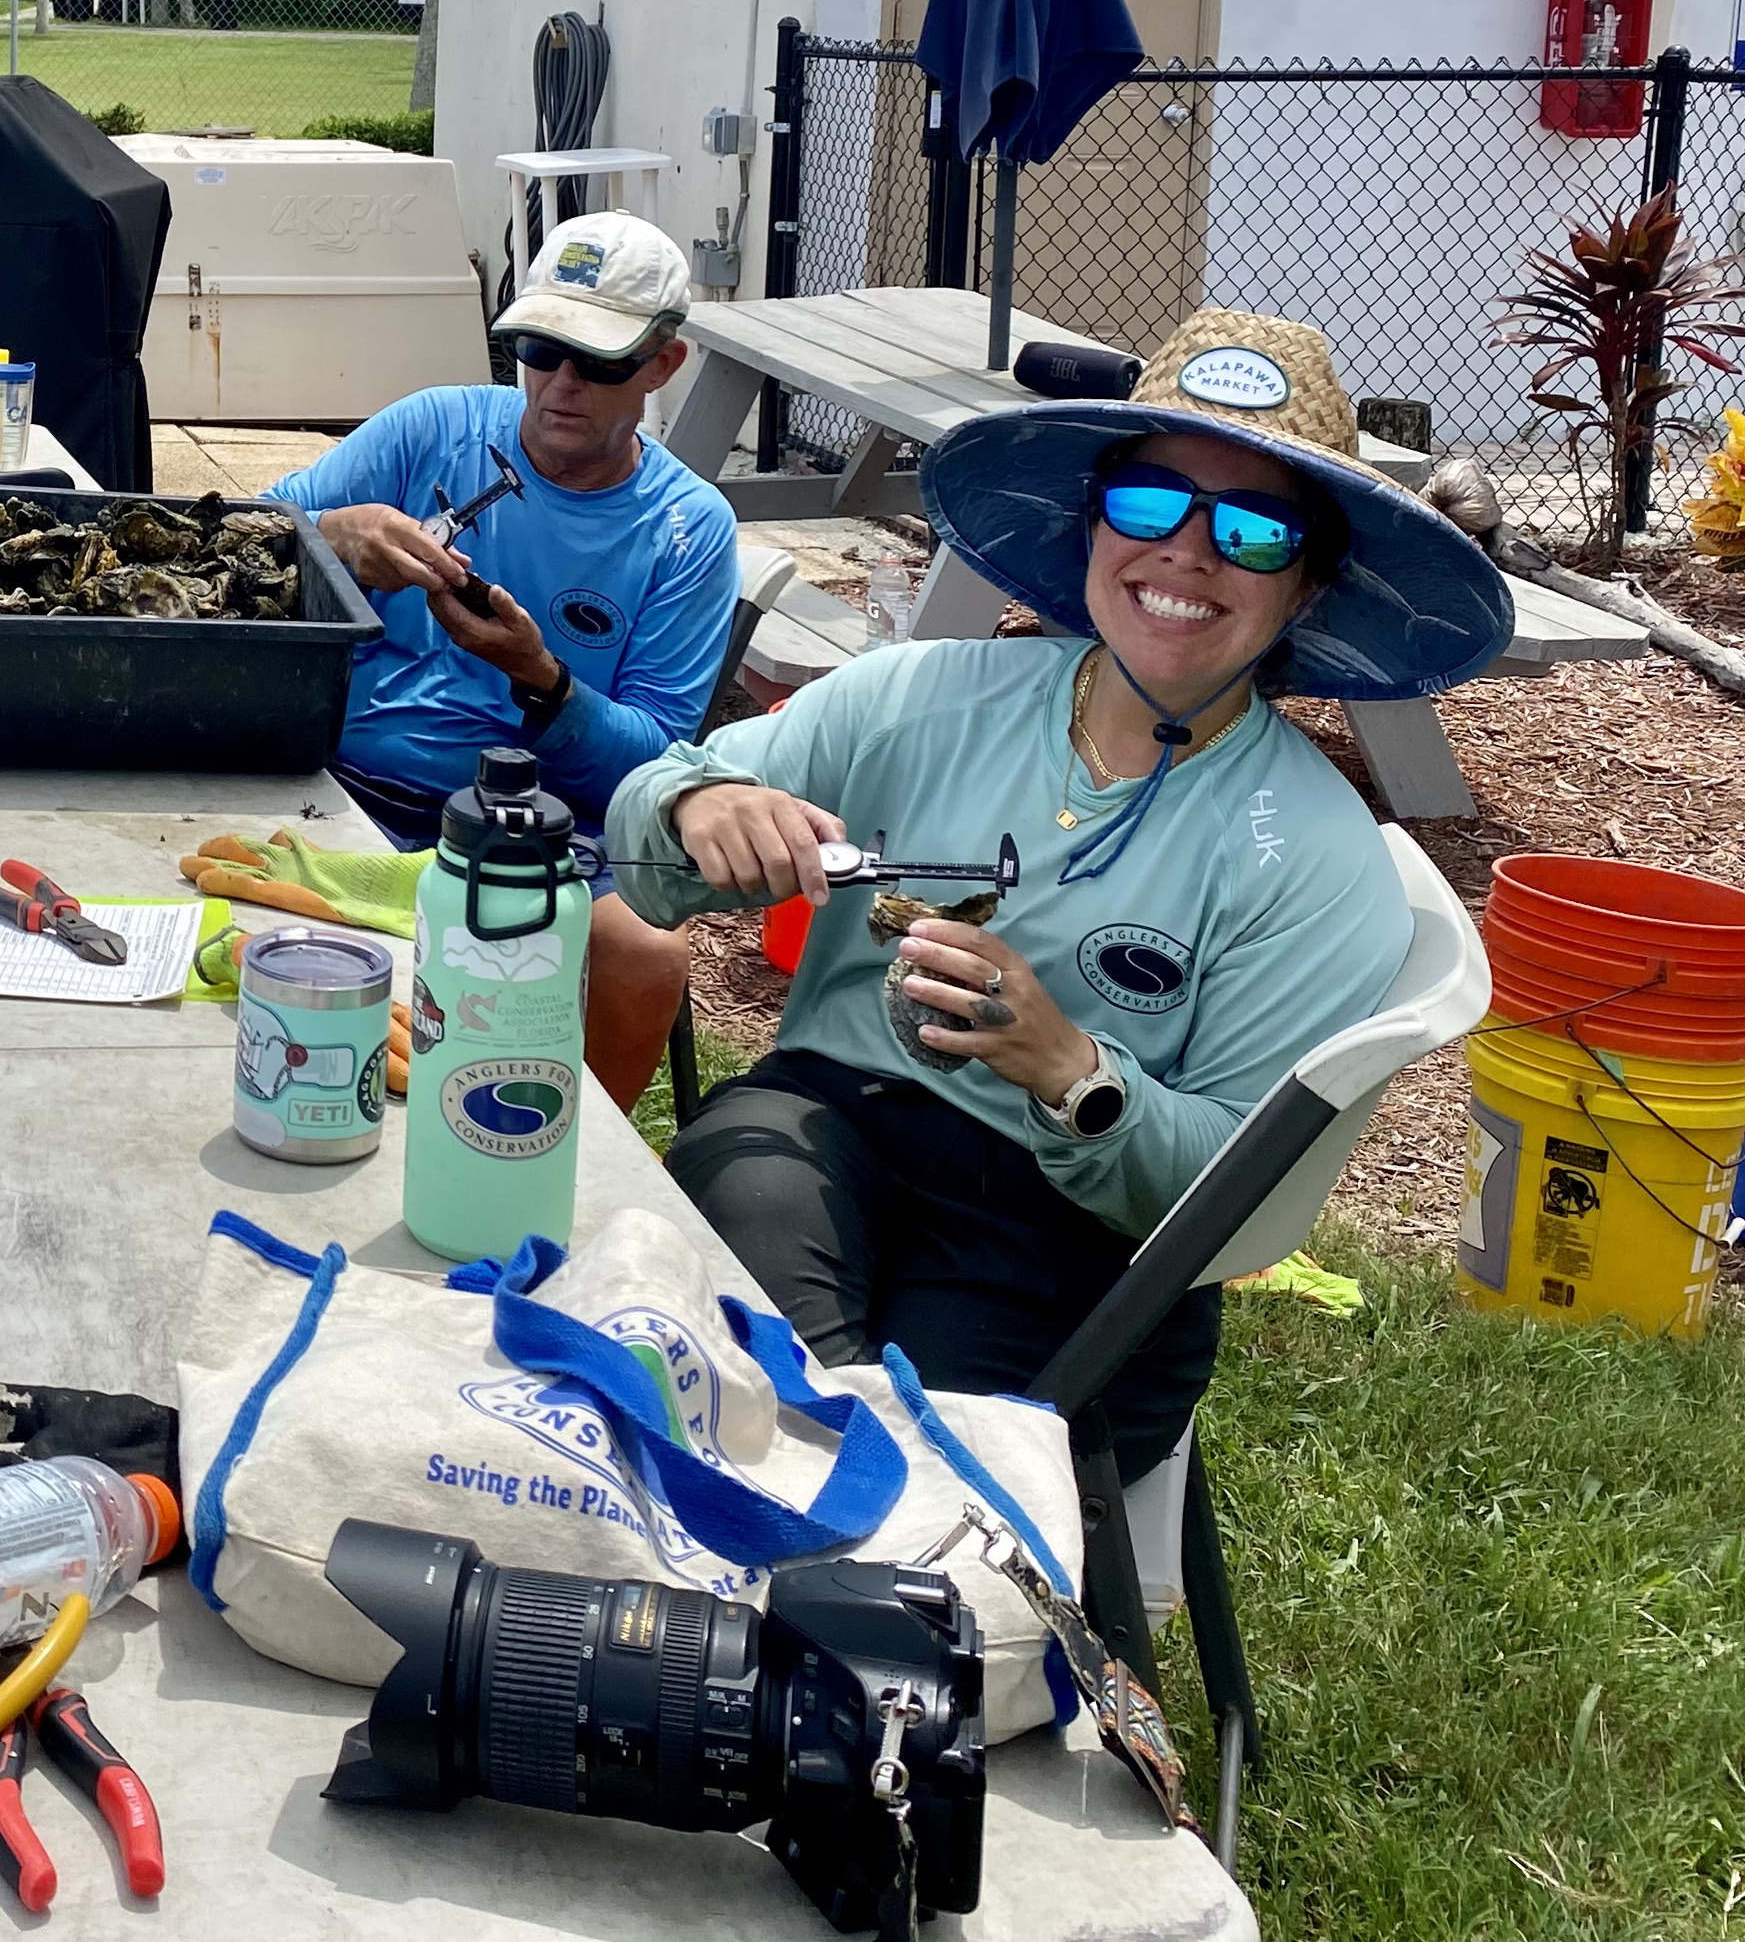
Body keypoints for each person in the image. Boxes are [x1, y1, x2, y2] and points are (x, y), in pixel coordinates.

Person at [609, 310, 1510, 1481]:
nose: (1187, 554)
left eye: (1254, 530)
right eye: (1148, 503)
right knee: (746, 1207)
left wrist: (1071, 1072)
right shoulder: (922, 696)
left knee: (840, 1426)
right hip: (825, 1129)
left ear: (1307, 586)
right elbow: (643, 851)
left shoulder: (1313, 855)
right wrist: (699, 806)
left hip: (1079, 1250)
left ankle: (819, 1517)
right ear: (1094, 524)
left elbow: (1236, 1196)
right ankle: (835, 1508)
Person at [268, 209, 739, 1105]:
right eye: (538, 348)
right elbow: (228, 541)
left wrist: (543, 680)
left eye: (600, 362)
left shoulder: (687, 528)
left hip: (532, 826)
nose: (561, 383)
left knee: (646, 951)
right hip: (335, 772)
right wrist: (328, 534)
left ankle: (571, 1158)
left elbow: (653, 766)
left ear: (664, 364)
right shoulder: (432, 424)